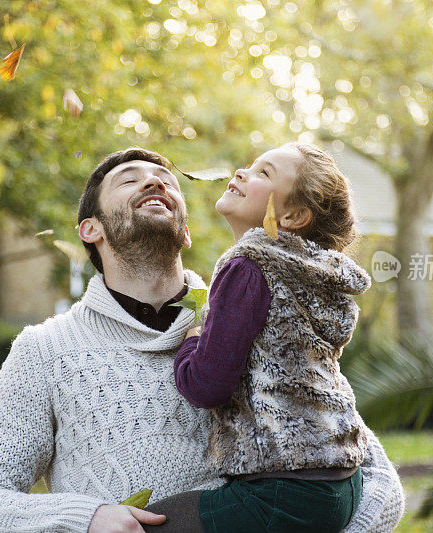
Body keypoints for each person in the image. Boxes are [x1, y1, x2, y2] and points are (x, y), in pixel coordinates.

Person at [0, 147, 405, 533]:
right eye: (129, 180)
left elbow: (372, 475)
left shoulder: (260, 317)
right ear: (91, 229)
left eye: (167, 180)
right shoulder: (45, 350)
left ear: (185, 232)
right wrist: (86, 517)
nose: (154, 183)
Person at [143, 142, 377, 533]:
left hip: (284, 490)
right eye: (250, 166)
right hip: (343, 481)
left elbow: (206, 385)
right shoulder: (311, 273)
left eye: (263, 173)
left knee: (141, 526)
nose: (240, 172)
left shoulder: (248, 265)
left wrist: (190, 339)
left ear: (293, 214)